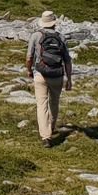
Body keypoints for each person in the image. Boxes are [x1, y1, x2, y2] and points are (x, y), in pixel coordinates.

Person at [27, 9, 73, 147]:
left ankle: (45, 136)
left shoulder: (36, 36)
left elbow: (29, 57)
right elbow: (67, 60)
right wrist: (69, 79)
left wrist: (29, 70)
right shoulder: (61, 37)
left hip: (40, 73)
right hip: (57, 75)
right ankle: (51, 128)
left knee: (41, 104)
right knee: (54, 102)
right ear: (54, 23)